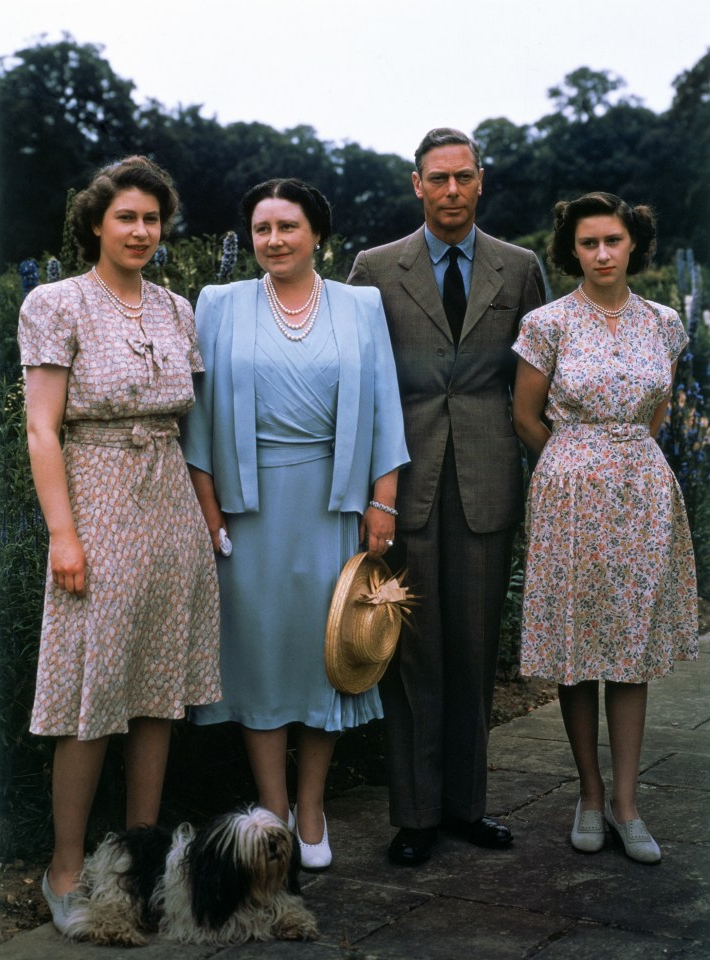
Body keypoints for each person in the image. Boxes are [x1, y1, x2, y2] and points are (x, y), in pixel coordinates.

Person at [18, 156, 221, 930]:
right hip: (95, 498)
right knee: (90, 695)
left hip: (167, 502)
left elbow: (191, 423)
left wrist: (205, 518)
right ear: (96, 224)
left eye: (152, 219)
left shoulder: (175, 308)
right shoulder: (55, 302)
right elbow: (41, 427)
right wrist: (62, 537)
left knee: (157, 690)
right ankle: (65, 871)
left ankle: (140, 867)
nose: (141, 231)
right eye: (126, 218)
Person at [182, 177, 409, 871]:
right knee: (259, 656)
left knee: (325, 654)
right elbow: (195, 417)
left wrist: (383, 501)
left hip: (331, 502)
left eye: (288, 227)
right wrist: (210, 509)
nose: (273, 240)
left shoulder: (360, 304)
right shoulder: (217, 303)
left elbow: (384, 408)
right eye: (261, 229)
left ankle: (312, 808)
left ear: (318, 234)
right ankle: (271, 807)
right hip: (248, 511)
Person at [348, 127, 545, 866]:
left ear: (481, 181)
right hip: (405, 483)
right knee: (411, 650)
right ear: (417, 184)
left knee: (473, 648)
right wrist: (372, 488)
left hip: (490, 482)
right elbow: (364, 382)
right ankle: (416, 813)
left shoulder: (520, 268)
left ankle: (468, 806)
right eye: (439, 179)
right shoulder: (374, 268)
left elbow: (537, 377)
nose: (452, 191)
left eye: (464, 178)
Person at [512, 192, 698, 863]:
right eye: (588, 243)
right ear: (573, 250)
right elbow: (526, 417)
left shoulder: (665, 323)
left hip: (642, 491)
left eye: (612, 241)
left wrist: (625, 459)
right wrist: (575, 464)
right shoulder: (547, 323)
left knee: (629, 645)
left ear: (631, 245)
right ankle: (589, 795)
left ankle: (626, 803)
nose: (601, 254)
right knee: (575, 644)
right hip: (570, 492)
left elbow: (656, 412)